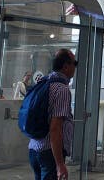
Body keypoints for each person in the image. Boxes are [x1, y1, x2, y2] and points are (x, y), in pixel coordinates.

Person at [28, 49, 76, 180]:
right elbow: (55, 128)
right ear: (66, 66)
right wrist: (60, 164)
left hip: (34, 148)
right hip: (49, 153)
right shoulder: (62, 90)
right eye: (74, 63)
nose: (75, 67)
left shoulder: (44, 82)